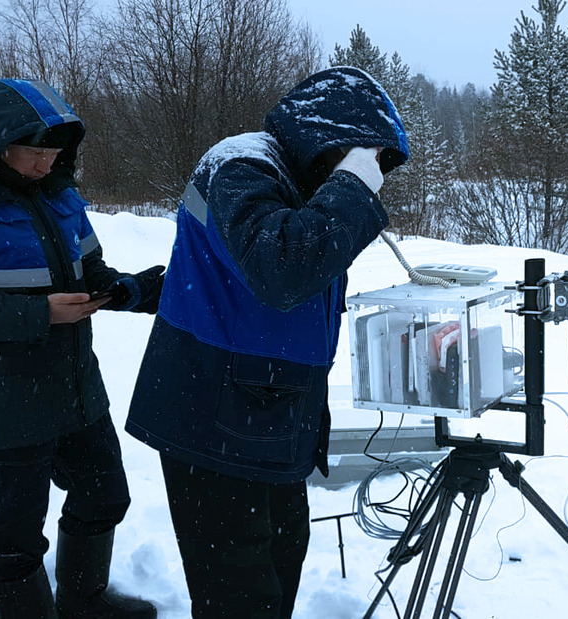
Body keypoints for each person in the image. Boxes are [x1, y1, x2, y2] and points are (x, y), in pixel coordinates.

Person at [124, 66, 408, 617]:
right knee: (240, 593)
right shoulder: (239, 166)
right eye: (365, 157)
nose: (371, 173)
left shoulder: (294, 185)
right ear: (326, 138)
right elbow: (283, 271)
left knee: (281, 562)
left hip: (267, 418)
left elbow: (239, 280)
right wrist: (351, 189)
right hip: (214, 423)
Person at [0, 78, 163, 619]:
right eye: (36, 153)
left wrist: (127, 291)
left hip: (75, 383)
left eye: (55, 153)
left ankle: (83, 603)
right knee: (14, 534)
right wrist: (37, 313)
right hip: (3, 397)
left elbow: (91, 271)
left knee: (104, 496)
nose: (47, 164)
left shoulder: (61, 195)